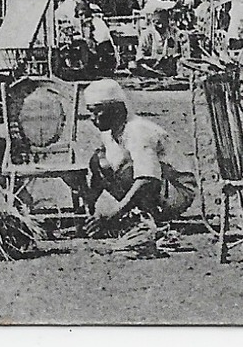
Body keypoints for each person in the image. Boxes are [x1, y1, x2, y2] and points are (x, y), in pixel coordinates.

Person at [83, 79, 196, 235]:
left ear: (116, 109)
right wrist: (93, 210)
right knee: (99, 160)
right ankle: (100, 218)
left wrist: (116, 211)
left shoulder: (138, 130)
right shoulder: (109, 133)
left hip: (176, 190)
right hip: (155, 185)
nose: (92, 117)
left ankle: (150, 217)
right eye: (90, 111)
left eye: (97, 111)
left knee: (129, 170)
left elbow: (148, 178)